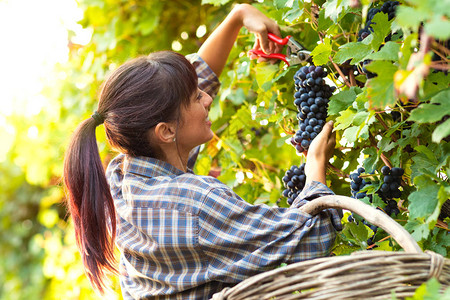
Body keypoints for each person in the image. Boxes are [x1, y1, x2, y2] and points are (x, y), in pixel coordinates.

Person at [63, 3, 342, 299]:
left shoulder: (123, 177)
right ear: (166, 131)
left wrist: (237, 17)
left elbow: (195, 78)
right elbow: (312, 237)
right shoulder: (197, 203)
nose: (208, 98)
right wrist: (315, 166)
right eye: (196, 97)